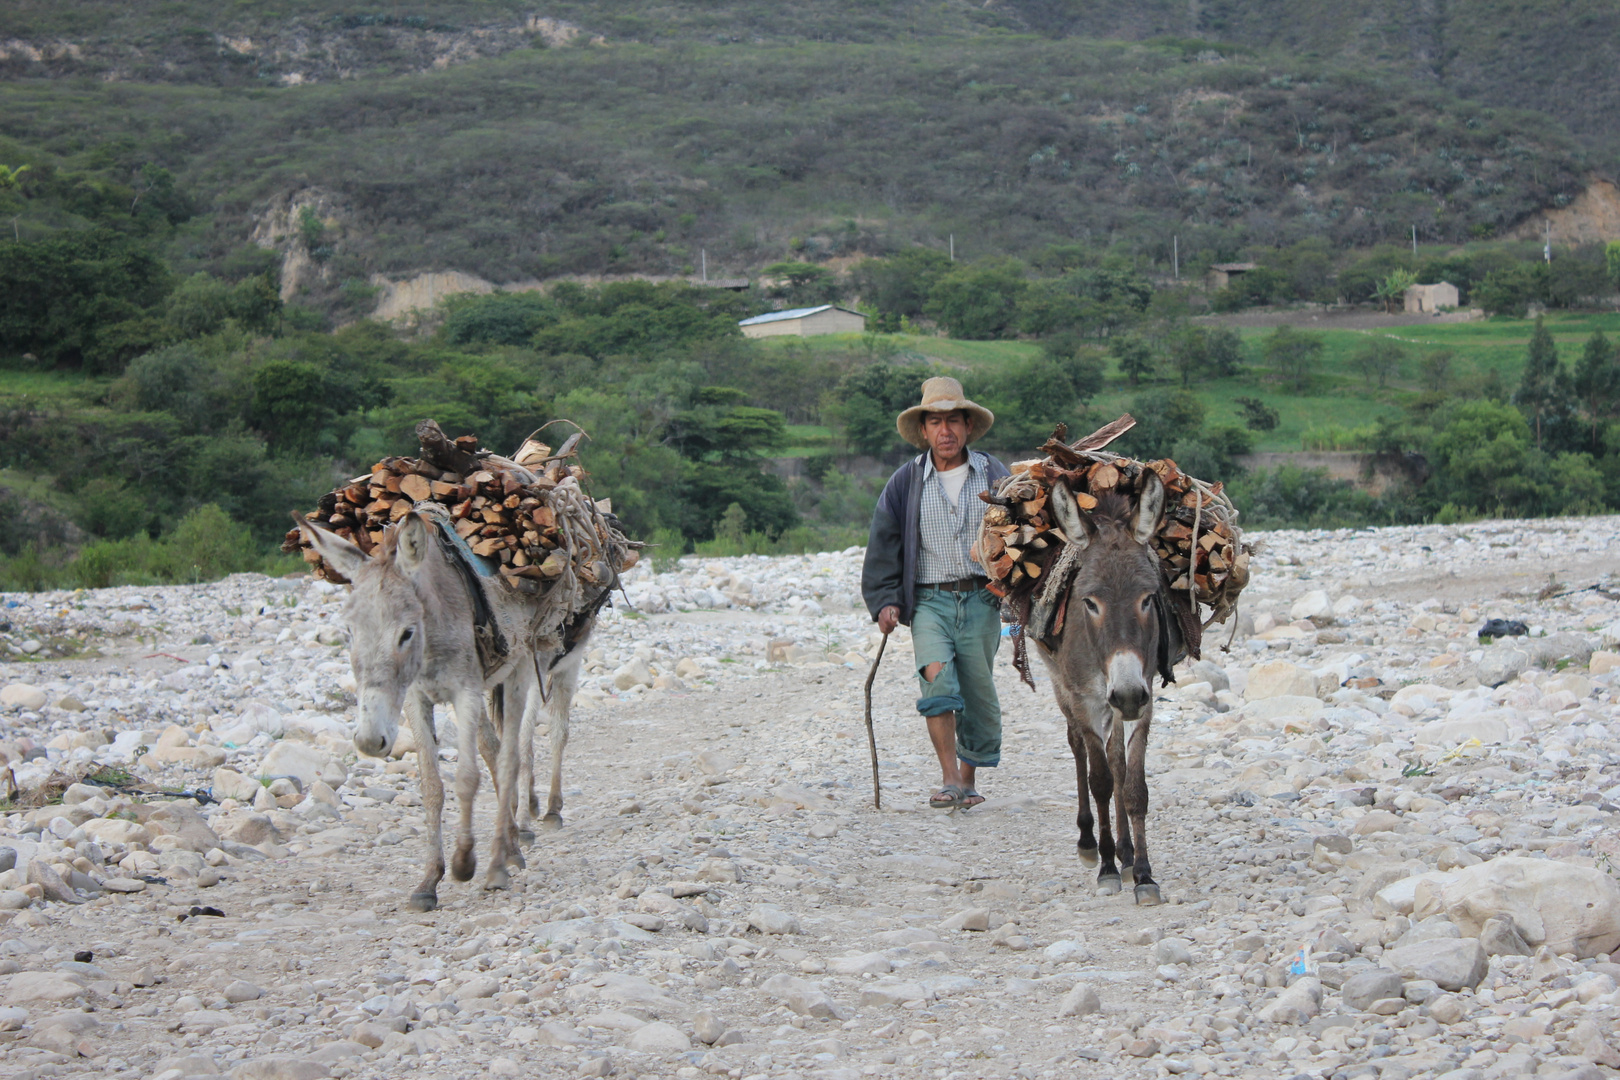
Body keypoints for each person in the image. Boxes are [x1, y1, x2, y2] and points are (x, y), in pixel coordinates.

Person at [861, 377, 1010, 810]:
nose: (945, 431)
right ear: (924, 431)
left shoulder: (993, 474)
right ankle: (948, 779)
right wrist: (885, 601)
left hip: (982, 599)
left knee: (977, 690)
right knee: (936, 679)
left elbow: (1021, 531)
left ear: (967, 426)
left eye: (953, 421)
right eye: (935, 422)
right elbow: (883, 545)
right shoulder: (906, 481)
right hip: (929, 602)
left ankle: (968, 779)